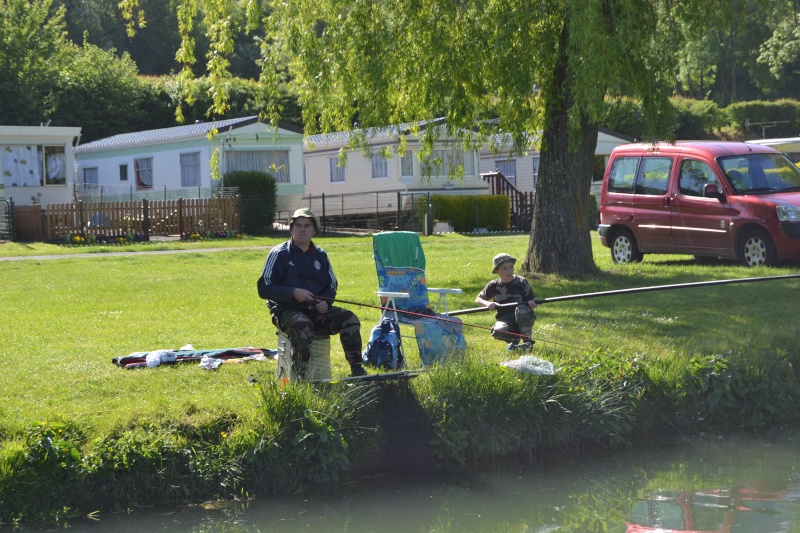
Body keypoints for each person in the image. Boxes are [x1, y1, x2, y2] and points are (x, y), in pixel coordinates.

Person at [257, 208, 367, 377]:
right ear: (291, 229)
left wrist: (326, 303)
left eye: (307, 226)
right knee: (303, 325)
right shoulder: (279, 254)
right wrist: (293, 292)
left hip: (316, 311)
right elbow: (264, 287)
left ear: (314, 230)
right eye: (298, 225)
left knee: (349, 318)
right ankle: (300, 376)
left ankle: (357, 370)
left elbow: (331, 284)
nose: (302, 229)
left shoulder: (321, 255)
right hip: (286, 311)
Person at [475, 253, 537, 351]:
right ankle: (514, 340)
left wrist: (532, 305)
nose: (509, 270)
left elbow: (532, 300)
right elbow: (478, 299)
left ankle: (527, 343)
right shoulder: (493, 285)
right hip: (505, 319)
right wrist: (488, 304)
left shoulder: (521, 282)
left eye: (511, 267)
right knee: (497, 332)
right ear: (497, 271)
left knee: (521, 309)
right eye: (505, 268)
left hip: (524, 317)